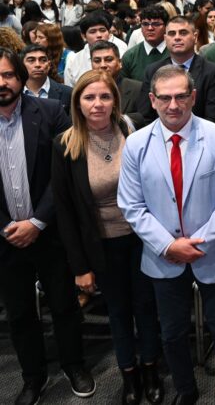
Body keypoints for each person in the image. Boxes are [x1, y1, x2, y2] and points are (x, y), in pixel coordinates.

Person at [118, 65, 215, 404]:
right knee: (172, 332)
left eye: (180, 96)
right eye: (164, 98)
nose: (173, 105)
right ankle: (186, 390)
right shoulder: (134, 145)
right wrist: (169, 245)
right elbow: (131, 206)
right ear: (152, 100)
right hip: (163, 257)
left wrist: (197, 243)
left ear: (193, 96)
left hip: (211, 251)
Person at [51, 70, 163, 405]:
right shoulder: (65, 145)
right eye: (89, 97)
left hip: (142, 240)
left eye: (104, 96)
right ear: (78, 103)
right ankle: (129, 376)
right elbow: (66, 213)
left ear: (115, 100)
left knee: (146, 309)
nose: (97, 104)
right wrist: (80, 267)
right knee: (117, 313)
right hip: (101, 245)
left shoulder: (134, 130)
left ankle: (151, 371)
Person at [0, 48, 96, 405]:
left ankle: (74, 366)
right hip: (6, 238)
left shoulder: (53, 112)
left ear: (21, 78)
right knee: (21, 313)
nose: (2, 83)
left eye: (8, 75)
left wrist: (37, 221)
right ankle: (33, 378)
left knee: (64, 305)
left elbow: (65, 176)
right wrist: (9, 227)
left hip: (50, 232)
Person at [138, 16, 215, 125]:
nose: (177, 38)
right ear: (165, 38)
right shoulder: (152, 71)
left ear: (195, 36)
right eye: (172, 34)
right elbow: (145, 116)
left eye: (183, 33)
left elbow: (213, 118)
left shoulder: (213, 72)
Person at [121, 5, 168, 82]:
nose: (150, 28)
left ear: (166, 27)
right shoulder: (130, 56)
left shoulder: (176, 52)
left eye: (156, 24)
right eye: (145, 24)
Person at [21, 43, 72, 113]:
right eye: (31, 60)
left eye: (43, 60)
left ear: (49, 65)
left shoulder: (67, 93)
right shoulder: (15, 93)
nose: (37, 65)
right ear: (22, 65)